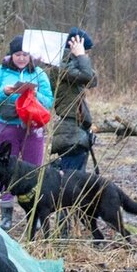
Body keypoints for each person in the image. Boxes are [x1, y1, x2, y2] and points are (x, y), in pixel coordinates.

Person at [0, 36, 53, 230]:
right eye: (17, 54)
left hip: (32, 127)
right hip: (7, 125)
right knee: (5, 169)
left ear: (30, 56)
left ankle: (36, 214)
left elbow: (49, 101)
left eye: (24, 54)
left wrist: (35, 94)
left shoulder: (39, 73)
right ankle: (6, 215)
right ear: (11, 55)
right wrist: (4, 92)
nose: (21, 58)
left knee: (35, 170)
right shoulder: (0, 72)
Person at [47, 29, 98, 172]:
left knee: (77, 182)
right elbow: (86, 76)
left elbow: (93, 80)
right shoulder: (60, 66)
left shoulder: (74, 65)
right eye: (85, 50)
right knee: (71, 184)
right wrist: (80, 56)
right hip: (69, 131)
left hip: (77, 129)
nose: (86, 54)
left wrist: (80, 58)